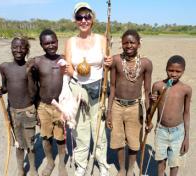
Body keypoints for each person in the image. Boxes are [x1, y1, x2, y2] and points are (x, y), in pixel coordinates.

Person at [64, 2, 112, 176]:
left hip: (98, 88)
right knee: (80, 130)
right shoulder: (71, 41)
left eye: (87, 16)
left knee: (98, 129)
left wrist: (110, 62)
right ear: (75, 20)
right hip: (78, 89)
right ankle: (81, 164)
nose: (83, 20)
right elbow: (68, 66)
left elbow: (108, 62)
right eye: (79, 17)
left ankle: (102, 163)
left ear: (92, 19)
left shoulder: (102, 39)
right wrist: (74, 72)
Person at [106, 29, 153, 176]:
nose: (129, 45)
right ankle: (121, 169)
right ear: (121, 44)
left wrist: (149, 114)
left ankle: (131, 168)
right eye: (125, 42)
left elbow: (146, 90)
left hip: (135, 107)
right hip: (117, 106)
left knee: (134, 142)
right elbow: (112, 87)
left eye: (132, 42)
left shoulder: (146, 63)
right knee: (118, 140)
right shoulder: (116, 60)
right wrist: (109, 112)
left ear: (139, 44)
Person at [0, 37, 38, 176]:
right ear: (11, 48)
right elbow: (6, 87)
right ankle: (20, 169)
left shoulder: (30, 68)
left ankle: (33, 169)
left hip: (28, 111)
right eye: (15, 47)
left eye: (22, 47)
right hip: (12, 112)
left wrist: (29, 73)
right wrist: (0, 90)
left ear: (27, 50)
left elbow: (33, 92)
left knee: (30, 144)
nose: (18, 50)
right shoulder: (4, 67)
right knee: (19, 144)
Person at [27, 29, 68, 176]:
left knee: (61, 137)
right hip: (43, 106)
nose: (51, 45)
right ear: (42, 45)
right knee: (46, 136)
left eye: (53, 42)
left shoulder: (64, 59)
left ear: (57, 41)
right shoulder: (37, 62)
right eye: (47, 43)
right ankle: (50, 162)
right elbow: (32, 88)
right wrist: (30, 73)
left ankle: (62, 164)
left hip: (60, 106)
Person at [151, 55, 192, 176]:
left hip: (178, 132)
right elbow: (151, 110)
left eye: (178, 71)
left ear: (183, 71)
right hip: (161, 130)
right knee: (160, 160)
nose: (173, 74)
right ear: (166, 69)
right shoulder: (158, 86)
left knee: (174, 162)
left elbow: (186, 113)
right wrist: (153, 101)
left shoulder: (186, 89)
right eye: (171, 70)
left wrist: (186, 137)